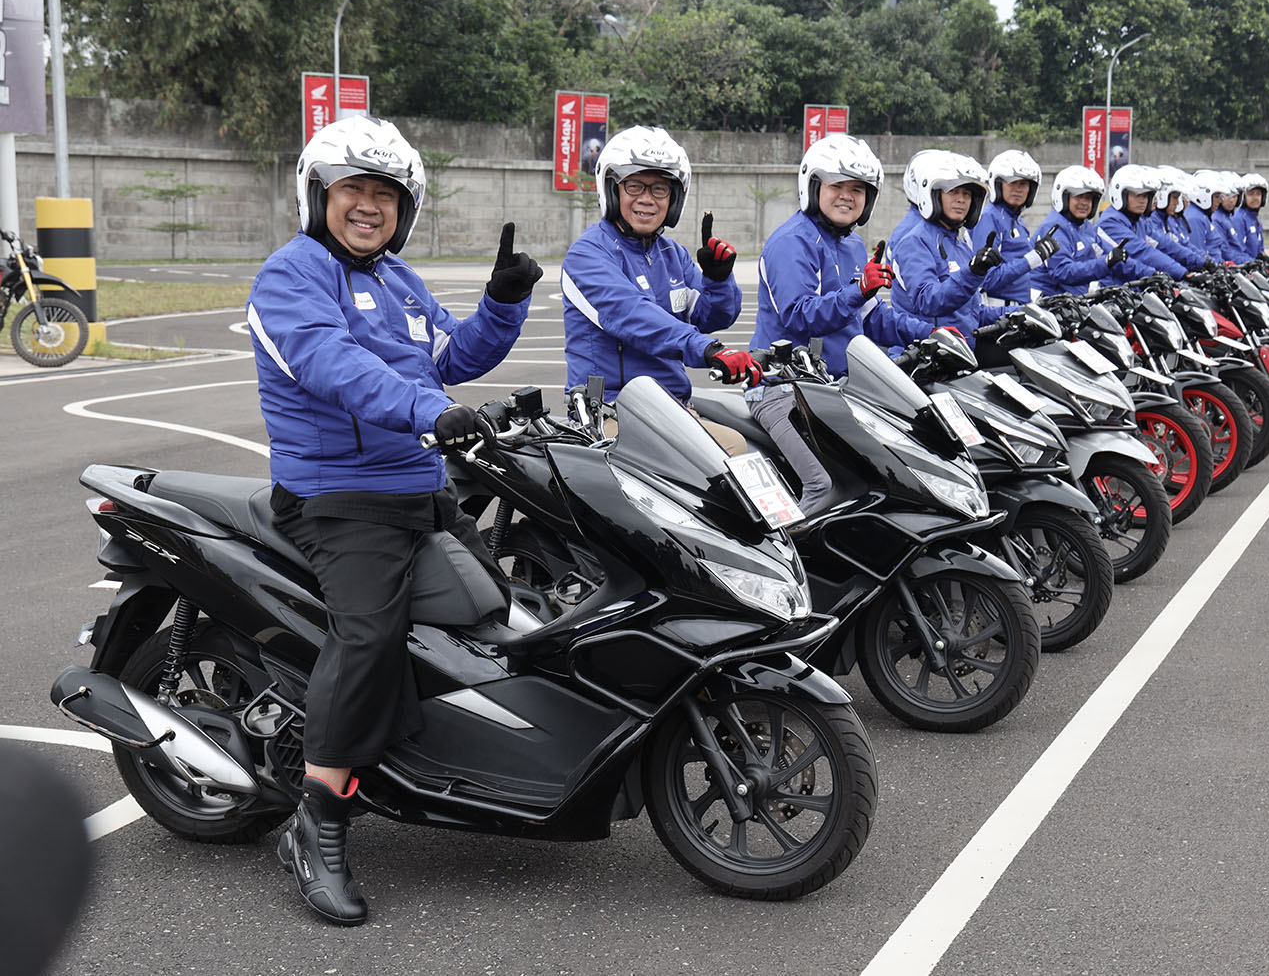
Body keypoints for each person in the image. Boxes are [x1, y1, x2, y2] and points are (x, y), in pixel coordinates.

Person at [247, 115, 537, 926]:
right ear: (319, 196)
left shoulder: (399, 279)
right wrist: (427, 411)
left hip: (416, 487)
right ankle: (319, 820)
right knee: (368, 634)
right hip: (339, 498)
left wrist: (502, 303)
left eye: (385, 194)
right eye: (353, 190)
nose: (368, 206)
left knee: (492, 608)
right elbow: (333, 366)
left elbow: (449, 358)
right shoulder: (290, 276)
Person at [747, 134, 933, 512]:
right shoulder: (791, 242)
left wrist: (931, 334)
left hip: (834, 389)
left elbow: (872, 316)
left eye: (859, 189)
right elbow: (800, 315)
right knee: (823, 484)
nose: (848, 196)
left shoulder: (852, 245)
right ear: (814, 187)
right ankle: (785, 568)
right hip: (783, 389)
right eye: (838, 186)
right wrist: (858, 290)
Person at [561, 125, 756, 406]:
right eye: (634, 186)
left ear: (674, 199)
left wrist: (719, 280)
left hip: (669, 405)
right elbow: (632, 315)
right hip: (612, 408)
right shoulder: (588, 254)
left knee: (740, 447)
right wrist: (708, 350)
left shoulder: (672, 254)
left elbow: (714, 318)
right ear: (612, 190)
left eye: (660, 189)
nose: (647, 199)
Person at [888, 149, 1014, 345]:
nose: (961, 199)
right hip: (921, 359)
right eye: (953, 191)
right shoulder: (914, 242)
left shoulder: (959, 244)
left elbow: (971, 312)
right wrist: (973, 272)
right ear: (935, 194)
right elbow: (929, 301)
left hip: (958, 355)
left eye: (967, 193)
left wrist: (1027, 311)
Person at [970, 149, 1060, 306]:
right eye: (1012, 182)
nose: (1018, 189)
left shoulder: (1017, 221)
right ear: (998, 184)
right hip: (997, 313)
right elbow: (986, 279)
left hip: (1018, 308)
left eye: (1024, 184)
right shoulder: (989, 218)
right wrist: (1033, 258)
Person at [1032, 165, 1128, 295]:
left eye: (1088, 198)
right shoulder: (1055, 228)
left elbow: (1111, 255)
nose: (1084, 203)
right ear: (1064, 197)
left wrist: (1148, 273)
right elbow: (1062, 271)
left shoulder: (1085, 227)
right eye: (1078, 197)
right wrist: (1105, 263)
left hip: (1073, 301)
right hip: (1048, 301)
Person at [1094, 165, 1187, 283]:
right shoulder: (1111, 222)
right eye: (1137, 194)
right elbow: (1142, 253)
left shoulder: (1138, 221)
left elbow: (1166, 244)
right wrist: (1181, 273)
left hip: (1133, 289)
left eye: (1146, 196)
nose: (1143, 200)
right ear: (1120, 193)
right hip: (1114, 290)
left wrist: (1203, 263)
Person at [1142, 167, 1208, 272]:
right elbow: (1163, 248)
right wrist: (1184, 272)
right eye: (1175, 197)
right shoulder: (1152, 221)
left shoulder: (1167, 221)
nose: (1178, 203)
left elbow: (1181, 244)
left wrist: (1206, 260)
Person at [1212, 171, 1254, 264]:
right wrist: (1249, 262)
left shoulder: (1227, 218)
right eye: (1227, 195)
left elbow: (1237, 250)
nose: (1231, 200)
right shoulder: (1216, 219)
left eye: (1235, 196)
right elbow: (1226, 252)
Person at [1235, 172, 1269, 261]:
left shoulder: (1256, 221)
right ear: (1243, 197)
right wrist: (1252, 263)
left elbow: (1260, 250)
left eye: (1258, 194)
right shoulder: (1238, 219)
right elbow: (1236, 251)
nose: (1255, 198)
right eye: (1251, 194)